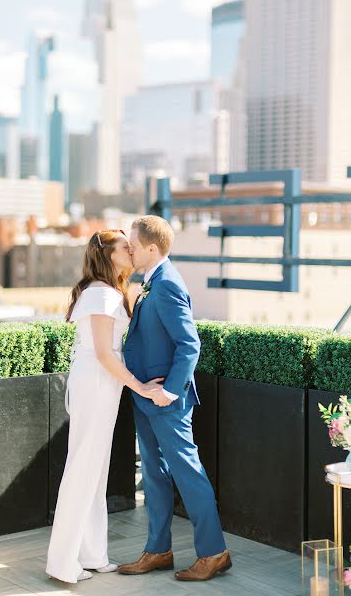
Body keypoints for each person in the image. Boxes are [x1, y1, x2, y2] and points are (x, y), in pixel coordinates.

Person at [118, 215, 232, 582]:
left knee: (188, 473)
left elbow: (190, 344)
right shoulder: (150, 283)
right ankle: (158, 550)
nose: (129, 251)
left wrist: (169, 392)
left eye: (133, 246)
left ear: (152, 248)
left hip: (167, 401)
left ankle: (214, 553)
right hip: (145, 398)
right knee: (153, 474)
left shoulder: (166, 285)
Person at [46, 229, 163, 584]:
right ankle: (62, 562)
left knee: (95, 472)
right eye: (124, 248)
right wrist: (139, 386)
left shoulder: (109, 291)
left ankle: (93, 555)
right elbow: (101, 352)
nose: (131, 251)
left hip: (103, 384)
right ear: (108, 255)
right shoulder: (99, 293)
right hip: (96, 383)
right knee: (83, 470)